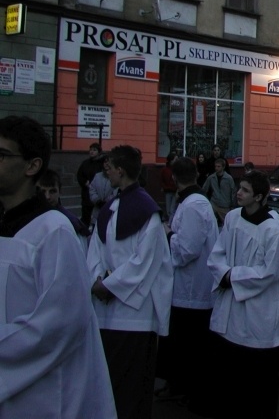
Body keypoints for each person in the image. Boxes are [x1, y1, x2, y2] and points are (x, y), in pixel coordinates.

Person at [0, 116, 116, 418]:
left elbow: (60, 324)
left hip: (43, 394)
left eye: (2, 155)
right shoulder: (7, 226)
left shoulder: (53, 231)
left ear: (32, 166)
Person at [87, 144, 173, 419]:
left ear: (121, 171)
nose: (106, 171)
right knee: (107, 387)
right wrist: (95, 279)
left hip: (134, 315)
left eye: (109, 167)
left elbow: (146, 263)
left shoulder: (148, 211)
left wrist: (106, 286)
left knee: (132, 390)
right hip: (106, 312)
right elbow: (95, 250)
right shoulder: (110, 207)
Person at [207, 170, 279, 419]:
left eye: (244, 190)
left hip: (259, 311)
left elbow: (271, 272)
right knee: (232, 374)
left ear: (259, 196)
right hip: (231, 308)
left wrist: (231, 276)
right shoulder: (233, 218)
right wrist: (223, 273)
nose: (238, 193)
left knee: (258, 380)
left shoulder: (272, 228)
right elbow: (218, 252)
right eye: (239, 188)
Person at [157, 157, 218, 411]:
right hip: (186, 288)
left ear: (174, 179)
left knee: (191, 345)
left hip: (193, 289)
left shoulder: (194, 205)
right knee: (182, 342)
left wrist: (168, 235)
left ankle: (191, 389)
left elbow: (187, 249)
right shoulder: (191, 202)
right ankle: (180, 384)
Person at [37, 168, 92, 249]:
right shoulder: (28, 217)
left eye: (52, 191)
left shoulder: (71, 222)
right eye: (43, 192)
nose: (47, 197)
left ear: (60, 192)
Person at [76, 141, 104, 228]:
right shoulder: (85, 163)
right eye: (90, 150)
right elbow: (79, 175)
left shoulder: (102, 164)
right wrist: (84, 182)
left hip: (99, 193)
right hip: (87, 193)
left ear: (99, 152)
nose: (91, 152)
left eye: (94, 150)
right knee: (85, 216)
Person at [203, 157, 237, 225]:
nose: (216, 168)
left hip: (225, 205)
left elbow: (233, 192)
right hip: (214, 204)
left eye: (218, 166)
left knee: (227, 225)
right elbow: (204, 189)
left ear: (223, 167)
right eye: (215, 166)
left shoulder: (228, 178)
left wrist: (233, 205)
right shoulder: (211, 177)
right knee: (210, 223)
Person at [89, 154, 116, 225]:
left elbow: (116, 191)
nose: (107, 164)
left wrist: (107, 202)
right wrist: (97, 200)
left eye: (108, 162)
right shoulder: (97, 176)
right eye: (105, 162)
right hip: (97, 211)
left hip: (110, 211)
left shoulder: (115, 176)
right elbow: (92, 189)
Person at [160, 150, 178, 223]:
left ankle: (170, 223)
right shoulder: (165, 170)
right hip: (168, 190)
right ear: (171, 160)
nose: (177, 161)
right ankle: (170, 222)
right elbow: (162, 179)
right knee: (168, 209)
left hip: (175, 190)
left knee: (172, 209)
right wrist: (164, 187)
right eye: (175, 159)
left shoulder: (177, 169)